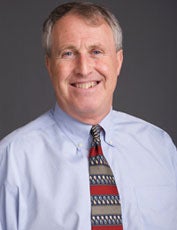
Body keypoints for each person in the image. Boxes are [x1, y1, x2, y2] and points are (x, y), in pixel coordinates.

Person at [0, 2, 177, 230]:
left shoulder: (161, 148)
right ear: (49, 65)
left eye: (96, 51)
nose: (83, 68)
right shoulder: (11, 160)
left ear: (118, 61)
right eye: (68, 53)